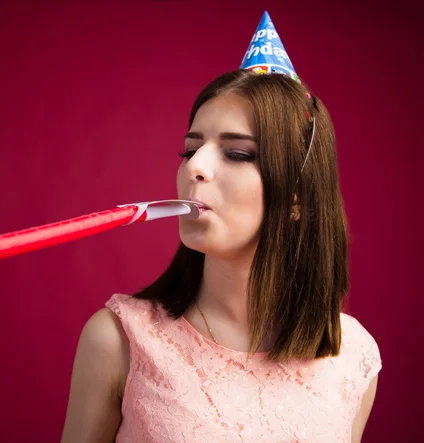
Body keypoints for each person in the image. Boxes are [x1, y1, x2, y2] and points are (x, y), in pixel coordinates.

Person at [61, 13, 381, 443]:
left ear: (296, 200)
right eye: (190, 149)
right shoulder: (117, 342)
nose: (194, 167)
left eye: (237, 154)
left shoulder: (354, 358)